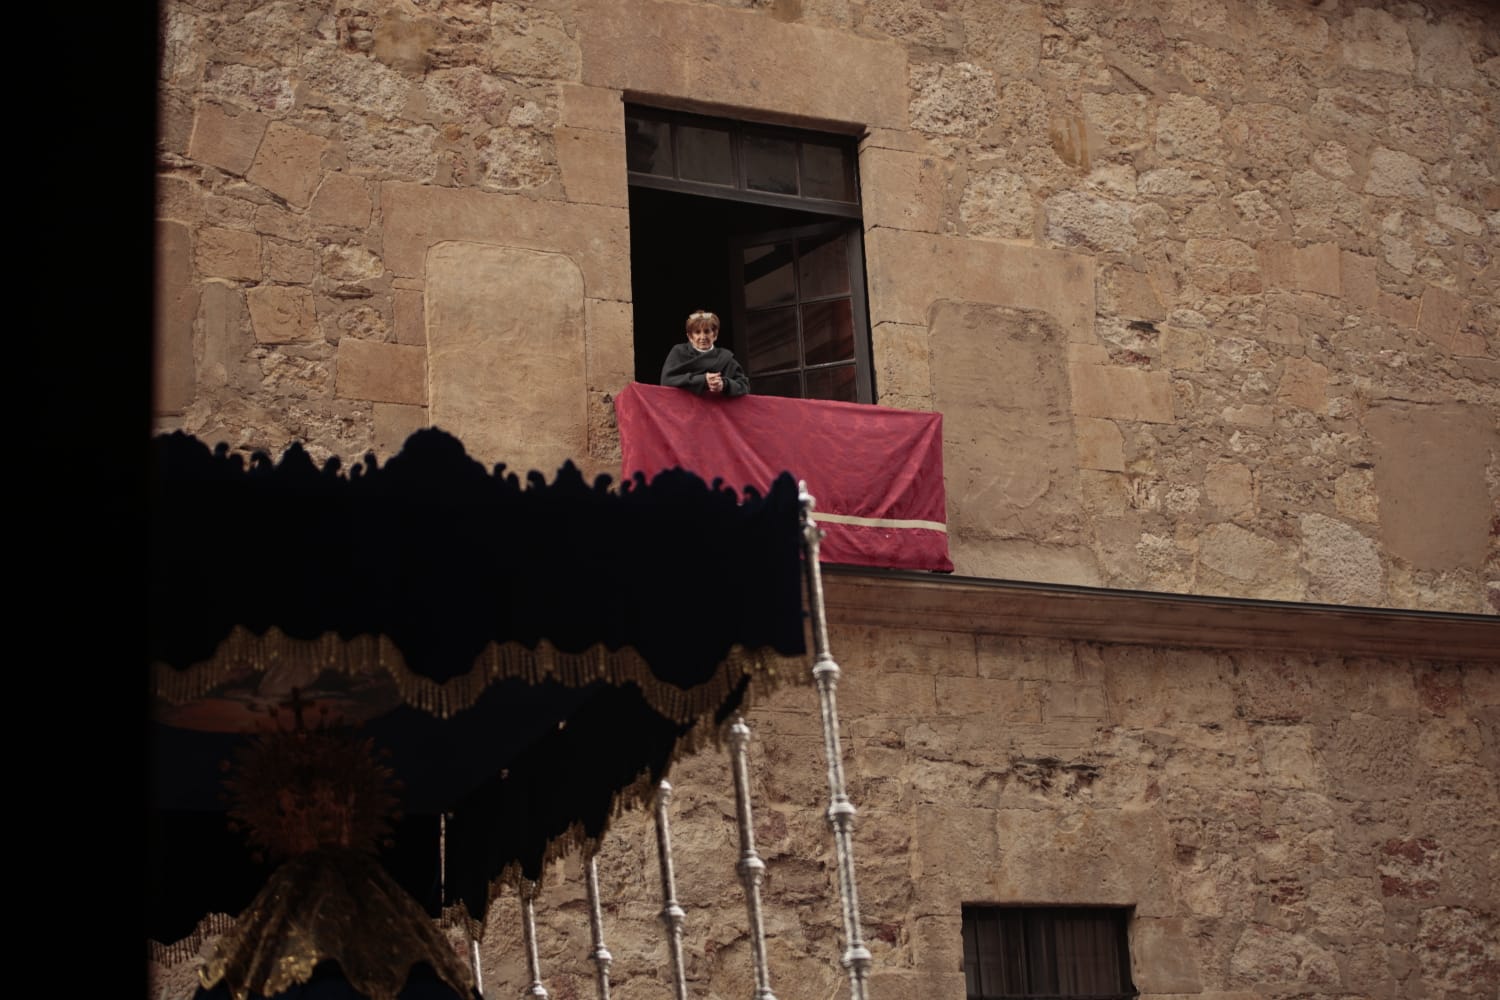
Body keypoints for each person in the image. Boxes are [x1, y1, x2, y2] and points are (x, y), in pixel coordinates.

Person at [660, 309, 750, 397]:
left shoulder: (725, 358)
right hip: (684, 410)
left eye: (707, 331)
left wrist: (724, 384)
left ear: (715, 335)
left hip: (715, 410)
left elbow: (744, 386)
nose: (702, 337)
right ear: (690, 336)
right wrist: (703, 380)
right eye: (697, 332)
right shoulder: (679, 352)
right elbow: (667, 380)